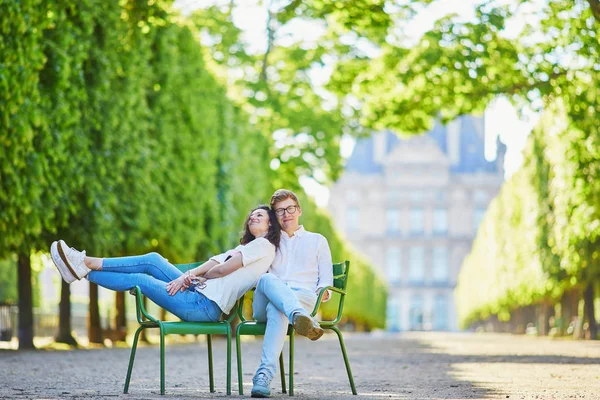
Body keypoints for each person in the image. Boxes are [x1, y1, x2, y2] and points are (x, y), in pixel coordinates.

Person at [49, 206, 280, 322]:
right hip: (198, 292)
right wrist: (189, 275)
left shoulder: (264, 246)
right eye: (252, 215)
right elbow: (214, 262)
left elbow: (222, 269)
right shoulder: (246, 247)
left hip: (204, 306)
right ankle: (83, 265)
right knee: (152, 260)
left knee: (141, 280)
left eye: (259, 216)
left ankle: (84, 268)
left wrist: (189, 278)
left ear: (270, 226)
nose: (252, 218)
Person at [250, 189, 333, 398]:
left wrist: (323, 292)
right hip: (268, 298)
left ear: (299, 210)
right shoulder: (268, 241)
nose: (286, 214)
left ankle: (263, 376)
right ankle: (298, 316)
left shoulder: (317, 240)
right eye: (279, 211)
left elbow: (325, 281)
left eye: (290, 208)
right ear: (274, 217)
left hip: (302, 297)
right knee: (268, 279)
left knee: (278, 309)